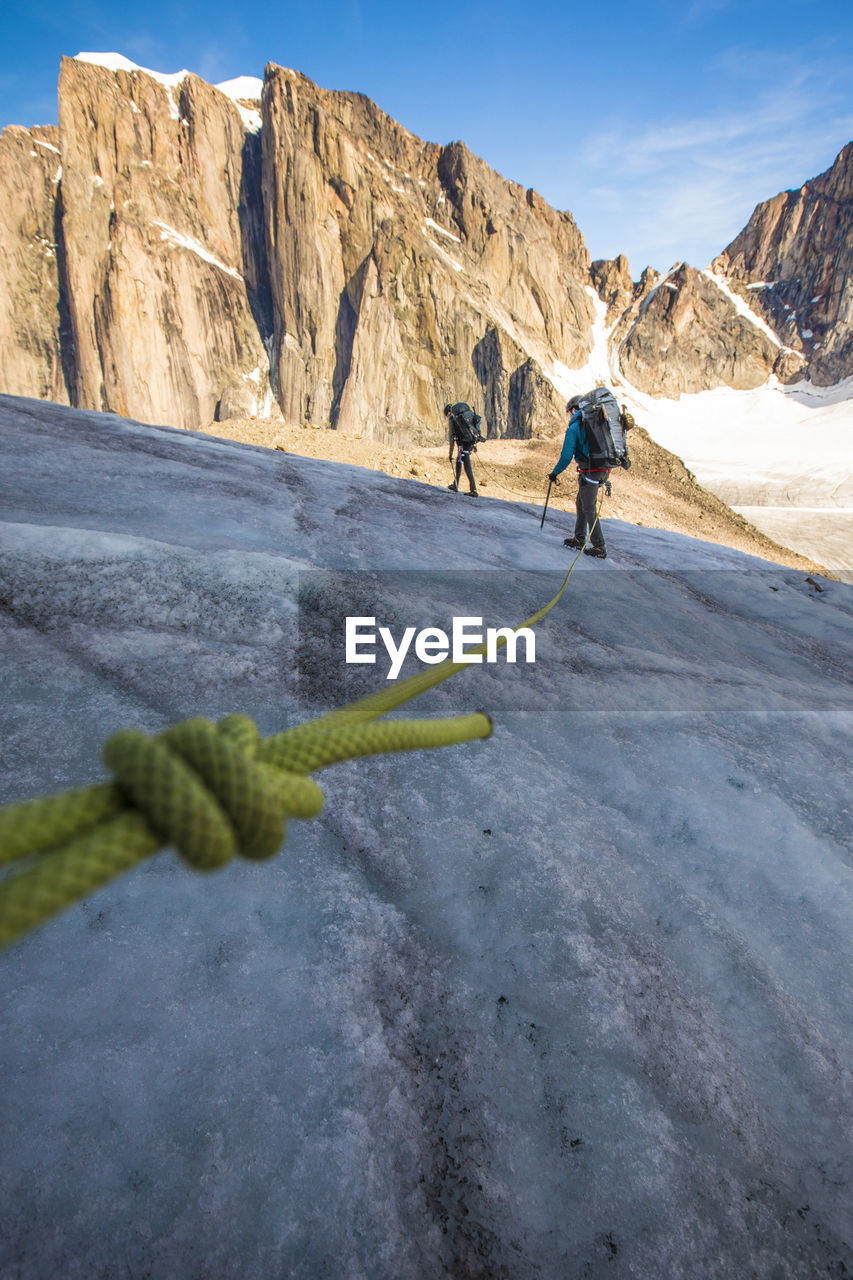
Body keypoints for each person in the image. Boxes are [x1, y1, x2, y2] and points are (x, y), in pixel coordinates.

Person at [548, 396, 612, 559]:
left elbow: (566, 455)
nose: (569, 416)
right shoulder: (596, 424)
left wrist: (555, 472)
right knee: (581, 502)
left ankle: (599, 546)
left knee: (589, 507)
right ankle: (579, 537)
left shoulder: (575, 427)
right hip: (601, 469)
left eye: (569, 413)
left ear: (574, 410)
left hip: (590, 471)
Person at [445, 402, 482, 497]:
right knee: (459, 460)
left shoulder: (453, 418)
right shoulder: (465, 413)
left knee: (466, 464)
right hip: (470, 440)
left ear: (448, 412)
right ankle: (456, 484)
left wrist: (450, 454)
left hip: (465, 442)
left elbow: (452, 438)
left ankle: (473, 490)